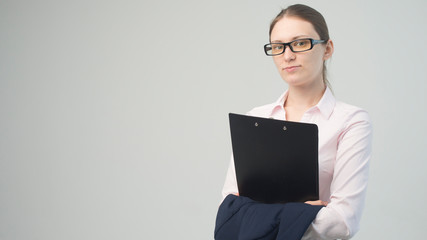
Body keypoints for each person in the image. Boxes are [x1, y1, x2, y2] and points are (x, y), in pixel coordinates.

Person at [221, 4, 372, 239]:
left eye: (300, 43)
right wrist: (301, 214)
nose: (288, 56)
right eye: (278, 46)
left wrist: (259, 216)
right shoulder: (255, 119)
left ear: (327, 48)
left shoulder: (351, 122)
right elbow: (230, 210)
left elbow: (341, 222)